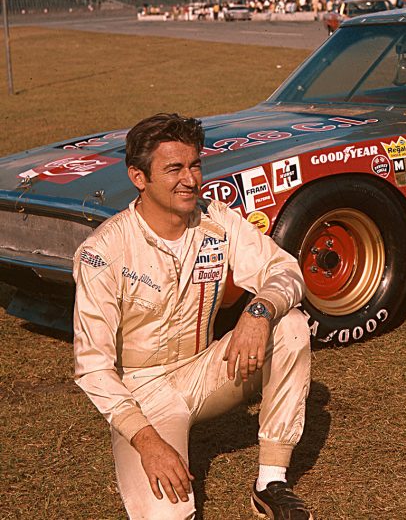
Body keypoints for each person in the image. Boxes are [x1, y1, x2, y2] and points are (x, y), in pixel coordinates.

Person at [73, 113, 312, 520]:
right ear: (138, 177)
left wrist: (259, 310)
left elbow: (285, 270)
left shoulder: (215, 219)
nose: (190, 179)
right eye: (173, 169)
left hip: (205, 370)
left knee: (288, 326)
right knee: (169, 515)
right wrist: (147, 441)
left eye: (194, 165)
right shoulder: (103, 252)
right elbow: (91, 367)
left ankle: (270, 481)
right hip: (142, 393)